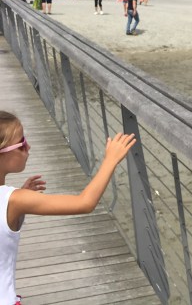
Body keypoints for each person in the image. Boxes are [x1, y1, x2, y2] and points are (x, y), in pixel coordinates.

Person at [0, 111, 135, 304]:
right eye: (21, 144)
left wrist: (20, 199)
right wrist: (111, 160)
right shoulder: (15, 200)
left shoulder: (15, 201)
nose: (28, 146)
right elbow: (84, 203)